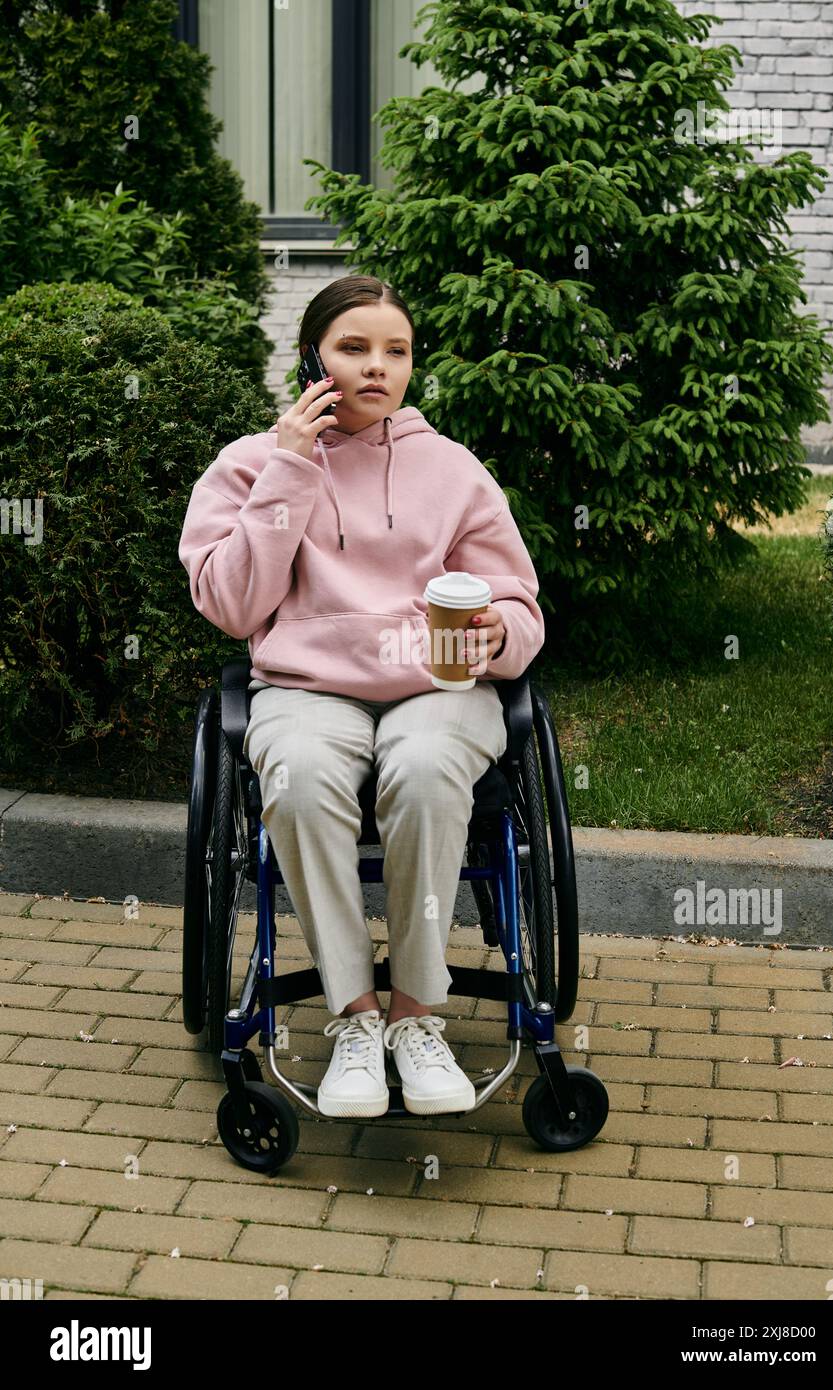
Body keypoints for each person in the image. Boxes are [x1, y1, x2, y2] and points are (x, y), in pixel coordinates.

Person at [178, 274, 545, 1119]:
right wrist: (288, 470)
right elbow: (231, 606)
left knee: (421, 771)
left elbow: (518, 601)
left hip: (437, 682)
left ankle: (417, 1014)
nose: (378, 367)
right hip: (307, 686)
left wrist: (502, 636)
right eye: (354, 348)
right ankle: (354, 1016)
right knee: (300, 778)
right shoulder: (248, 465)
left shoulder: (452, 469)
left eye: (397, 351)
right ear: (312, 357)